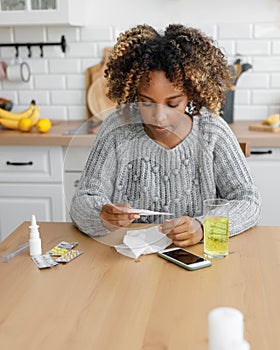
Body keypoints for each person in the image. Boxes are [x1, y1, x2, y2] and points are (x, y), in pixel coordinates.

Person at [70, 23, 261, 248]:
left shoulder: (212, 132)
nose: (159, 117)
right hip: (131, 264)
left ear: (192, 95)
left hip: (197, 262)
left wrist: (203, 227)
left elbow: (248, 200)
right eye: (147, 102)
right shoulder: (117, 129)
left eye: (173, 103)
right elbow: (82, 201)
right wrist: (103, 215)